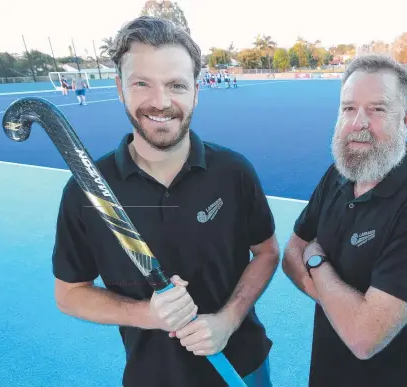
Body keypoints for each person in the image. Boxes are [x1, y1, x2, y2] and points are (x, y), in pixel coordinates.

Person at [52, 16, 279, 387]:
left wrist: (227, 320)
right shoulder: (86, 191)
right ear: (120, 88)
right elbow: (69, 294)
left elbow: (267, 252)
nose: (160, 102)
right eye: (142, 83)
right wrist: (148, 315)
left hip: (242, 365)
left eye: (176, 84)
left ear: (196, 90)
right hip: (153, 376)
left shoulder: (233, 172)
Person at [282, 54, 407, 387]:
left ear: (405, 118)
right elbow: (291, 253)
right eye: (348, 108)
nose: (358, 122)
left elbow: (363, 338)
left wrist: (317, 260)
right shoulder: (337, 177)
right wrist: (347, 311)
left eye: (377, 109)